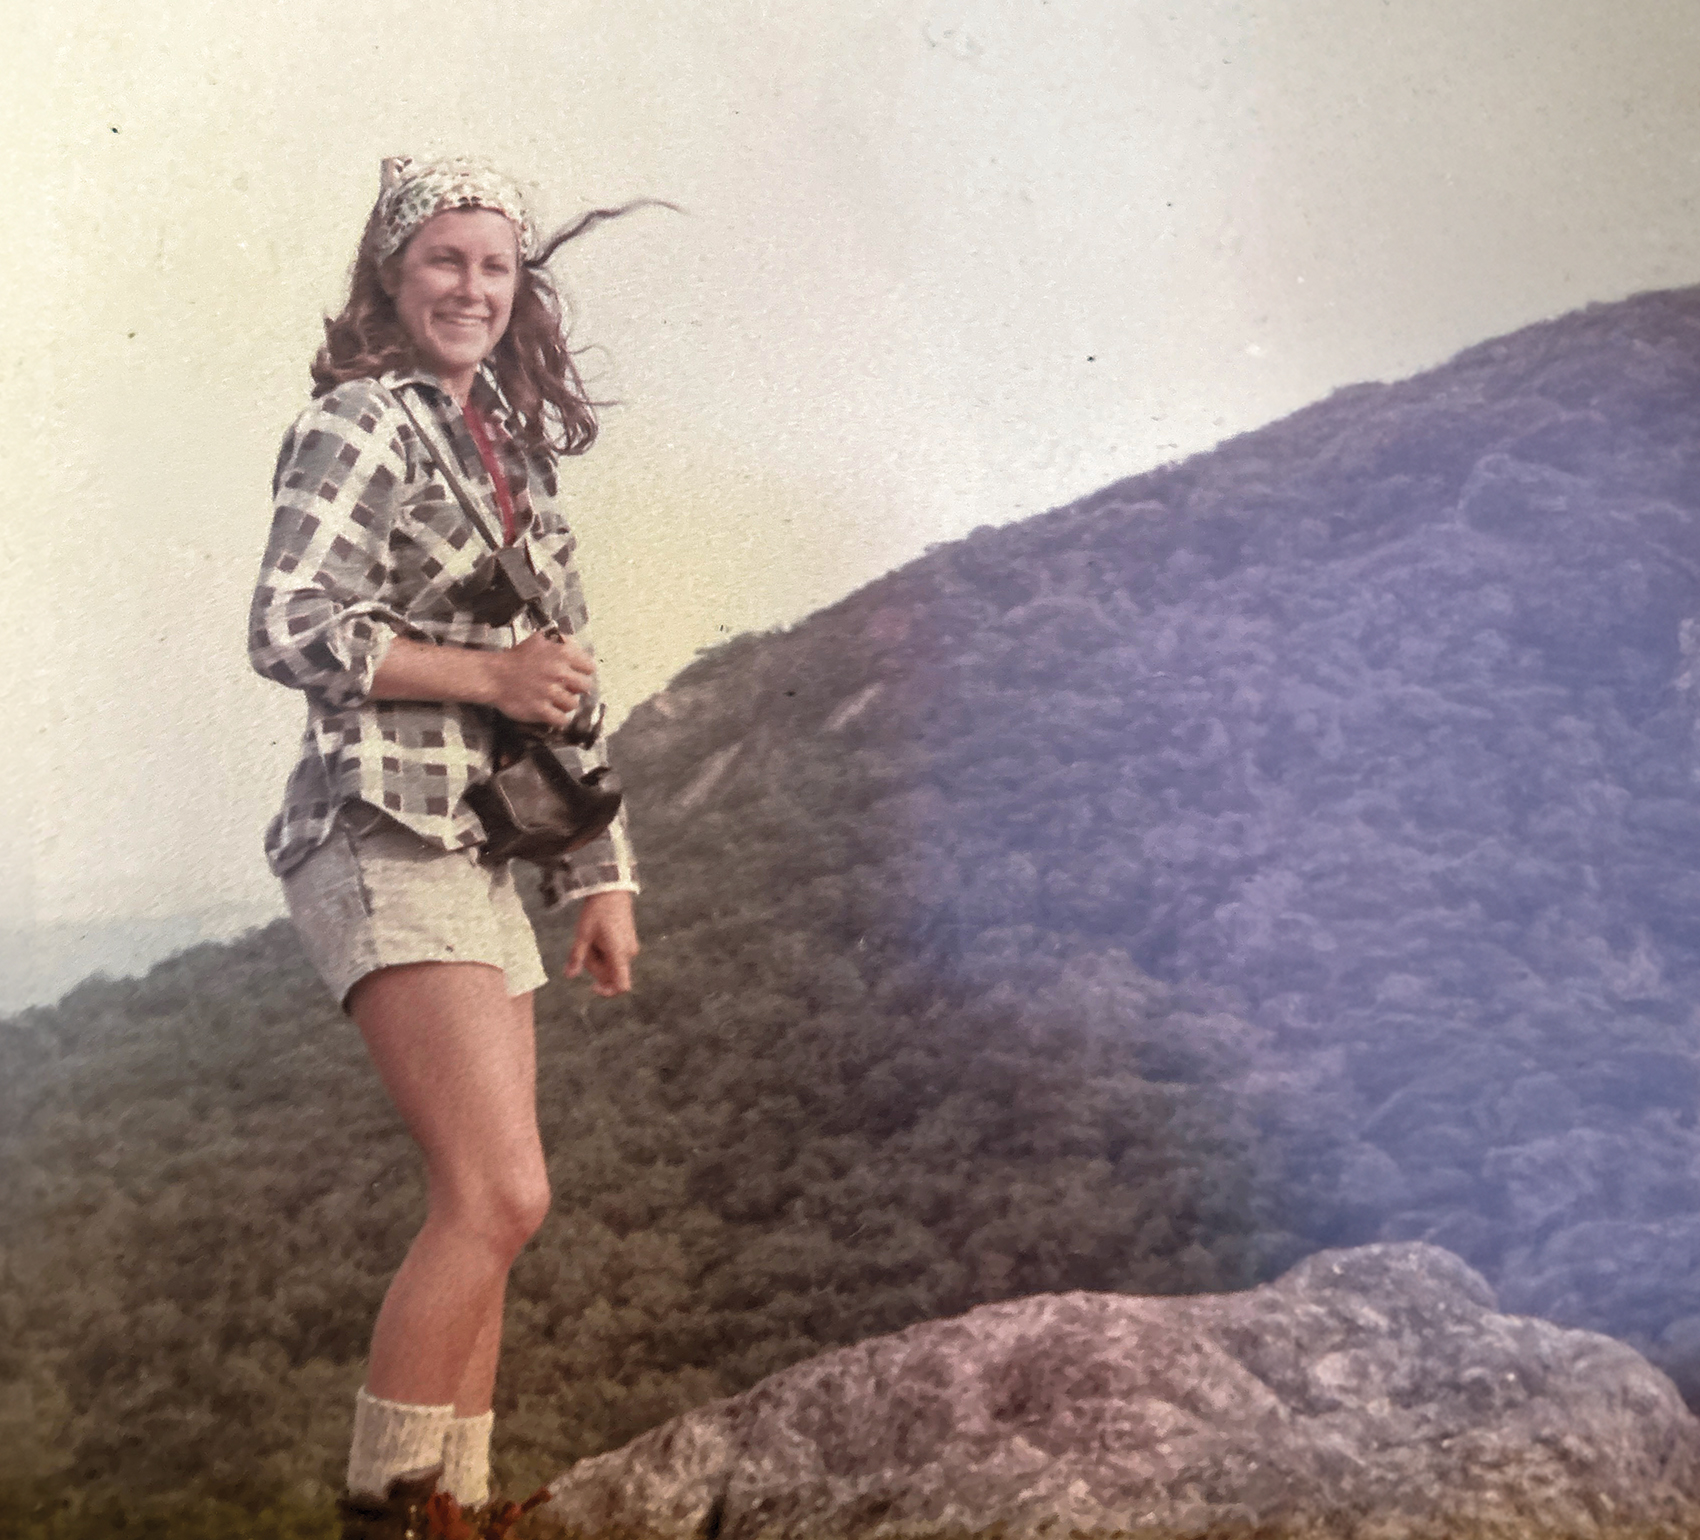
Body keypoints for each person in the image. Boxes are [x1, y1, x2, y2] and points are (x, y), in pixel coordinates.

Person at [249, 156, 644, 1538]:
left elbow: (566, 682)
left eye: (495, 265)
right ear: (391, 279)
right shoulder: (361, 423)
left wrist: (599, 874)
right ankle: (393, 1518)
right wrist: (482, 680)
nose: (472, 287)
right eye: (444, 262)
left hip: (481, 853)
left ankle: (454, 1510)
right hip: (376, 827)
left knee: (497, 1212)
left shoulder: (513, 459)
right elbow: (289, 623)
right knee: (497, 1189)